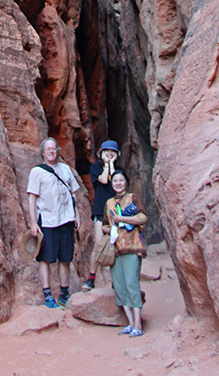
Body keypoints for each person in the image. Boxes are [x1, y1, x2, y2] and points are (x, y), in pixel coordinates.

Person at [27, 137, 84, 308]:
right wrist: (33, 223)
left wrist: (77, 216)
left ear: (58, 151)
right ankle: (47, 295)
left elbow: (73, 195)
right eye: (48, 149)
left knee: (65, 258)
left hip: (66, 219)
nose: (51, 151)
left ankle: (64, 294)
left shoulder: (66, 169)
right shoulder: (36, 172)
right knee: (45, 258)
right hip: (47, 220)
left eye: (54, 149)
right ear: (43, 153)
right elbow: (32, 198)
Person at [103, 170, 147, 337]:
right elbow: (104, 225)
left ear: (126, 182)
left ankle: (138, 324)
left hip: (133, 247)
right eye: (115, 181)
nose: (118, 183)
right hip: (116, 250)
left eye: (121, 180)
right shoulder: (108, 203)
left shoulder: (133, 198)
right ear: (112, 184)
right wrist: (112, 229)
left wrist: (122, 220)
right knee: (120, 287)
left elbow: (142, 218)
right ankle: (130, 323)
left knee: (132, 284)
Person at [82, 140, 124, 291]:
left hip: (116, 212)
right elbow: (104, 180)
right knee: (99, 245)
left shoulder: (120, 170)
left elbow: (116, 184)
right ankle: (91, 279)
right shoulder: (95, 168)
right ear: (101, 153)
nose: (109, 153)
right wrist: (107, 165)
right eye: (106, 151)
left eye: (112, 151)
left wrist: (112, 165)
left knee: (117, 246)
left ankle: (116, 280)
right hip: (100, 210)